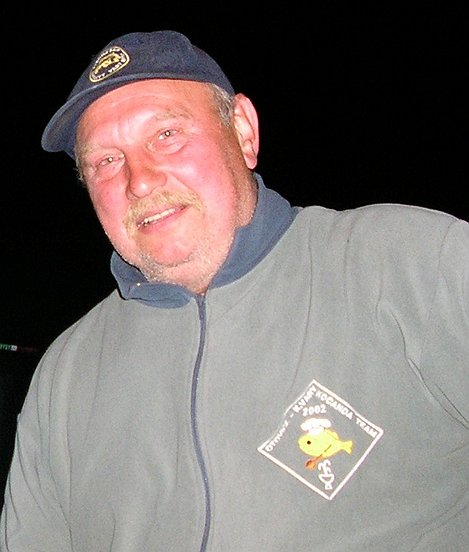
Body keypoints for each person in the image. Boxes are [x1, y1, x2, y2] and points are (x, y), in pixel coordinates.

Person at [1, 30, 468, 552]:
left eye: (167, 134)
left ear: (243, 130)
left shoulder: (414, 264)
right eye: (106, 161)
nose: (140, 181)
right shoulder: (64, 378)